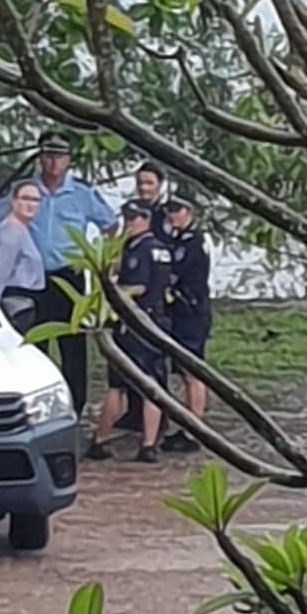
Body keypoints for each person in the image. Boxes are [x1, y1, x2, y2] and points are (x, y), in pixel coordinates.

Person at [0, 130, 117, 416]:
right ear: (40, 158)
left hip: (68, 276)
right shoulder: (24, 191)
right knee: (34, 344)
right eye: (48, 156)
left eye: (59, 157)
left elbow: (109, 224)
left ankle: (74, 407)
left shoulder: (82, 193)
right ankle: (37, 408)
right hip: (31, 280)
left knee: (73, 346)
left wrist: (102, 262)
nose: (53, 163)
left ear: (68, 161)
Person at [87, 199, 173, 464]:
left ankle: (146, 444)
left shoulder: (145, 249)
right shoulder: (138, 247)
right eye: (126, 218)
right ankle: (106, 440)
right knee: (120, 385)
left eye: (134, 218)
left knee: (144, 385)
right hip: (143, 322)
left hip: (140, 322)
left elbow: (141, 287)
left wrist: (113, 291)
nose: (128, 223)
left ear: (146, 220)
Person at [116, 161, 171, 432]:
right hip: (131, 294)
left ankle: (160, 416)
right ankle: (134, 410)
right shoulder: (133, 213)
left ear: (160, 185)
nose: (144, 188)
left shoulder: (165, 214)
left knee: (154, 363)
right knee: (130, 359)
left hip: (155, 293)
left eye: (149, 183)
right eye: (140, 183)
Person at [161, 196, 212, 454]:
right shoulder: (179, 239)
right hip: (181, 312)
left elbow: (178, 272)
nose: (171, 215)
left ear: (189, 211)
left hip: (191, 312)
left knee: (192, 373)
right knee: (183, 372)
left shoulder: (193, 242)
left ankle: (195, 431)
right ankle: (188, 426)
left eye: (176, 210)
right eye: (168, 210)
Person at [0, 181, 44, 302]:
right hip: (14, 300)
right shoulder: (11, 232)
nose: (30, 204)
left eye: (35, 200)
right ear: (13, 201)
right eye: (25, 198)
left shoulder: (22, 229)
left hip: (26, 298)